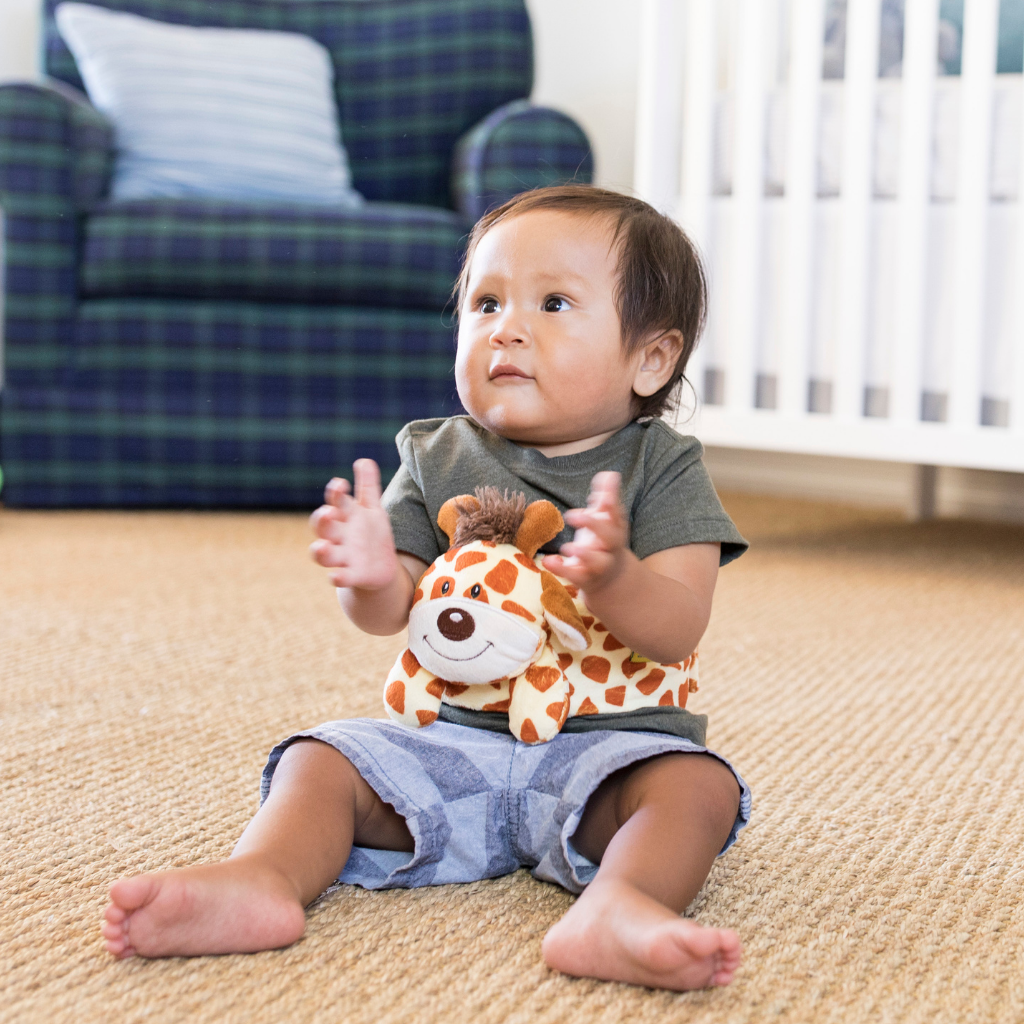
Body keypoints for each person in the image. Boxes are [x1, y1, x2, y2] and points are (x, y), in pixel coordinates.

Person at [100, 185, 752, 991]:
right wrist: (372, 577)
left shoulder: (664, 468)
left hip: (607, 761)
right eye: (484, 302)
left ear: (650, 357)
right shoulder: (437, 454)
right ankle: (261, 877)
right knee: (321, 758)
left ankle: (620, 904)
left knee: (698, 786)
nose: (505, 328)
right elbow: (390, 613)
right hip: (453, 752)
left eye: (552, 303)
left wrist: (617, 578)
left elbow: (679, 626)